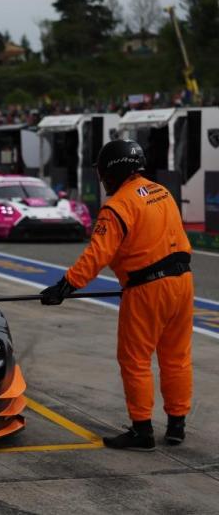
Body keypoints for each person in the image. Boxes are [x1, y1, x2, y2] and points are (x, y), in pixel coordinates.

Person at [40, 139, 193, 451]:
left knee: (135, 359)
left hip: (147, 288)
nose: (102, 180)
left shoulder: (117, 206)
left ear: (112, 172)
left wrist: (65, 286)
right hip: (183, 282)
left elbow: (97, 254)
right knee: (176, 357)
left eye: (103, 173)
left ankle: (142, 430)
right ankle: (177, 424)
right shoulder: (161, 192)